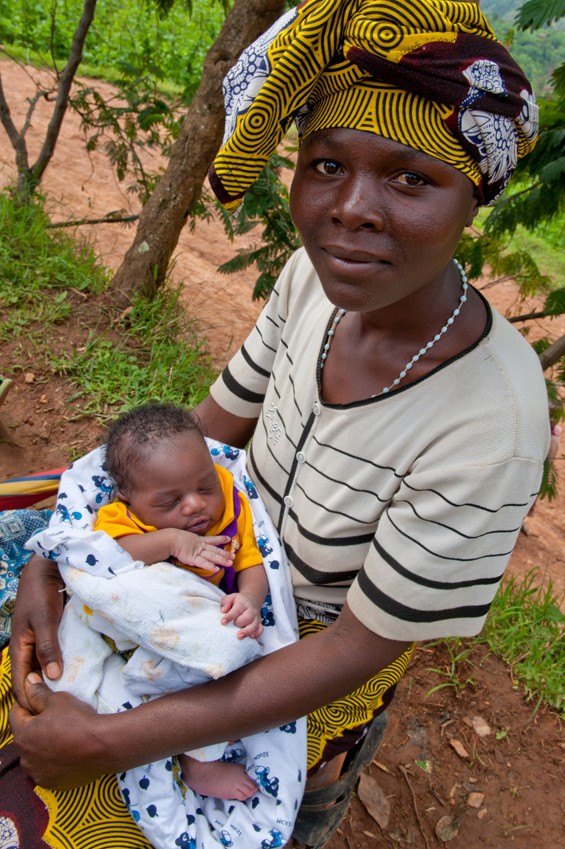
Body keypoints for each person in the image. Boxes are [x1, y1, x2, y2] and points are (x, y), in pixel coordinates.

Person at [5, 2, 550, 848]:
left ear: (473, 197)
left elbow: (353, 650)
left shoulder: (492, 421)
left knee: (141, 805)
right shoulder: (309, 281)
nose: (353, 209)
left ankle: (306, 806)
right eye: (326, 163)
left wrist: (109, 741)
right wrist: (55, 553)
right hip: (215, 554)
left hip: (320, 644)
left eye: (412, 178)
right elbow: (208, 430)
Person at [50, 402, 268, 803]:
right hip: (118, 616)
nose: (195, 505)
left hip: (187, 623)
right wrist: (170, 541)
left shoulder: (233, 507)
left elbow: (252, 564)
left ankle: (198, 762)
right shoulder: (122, 518)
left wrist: (249, 600)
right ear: (128, 497)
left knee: (223, 660)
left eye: (204, 487)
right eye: (169, 503)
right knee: (72, 657)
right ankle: (67, 702)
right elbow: (107, 556)